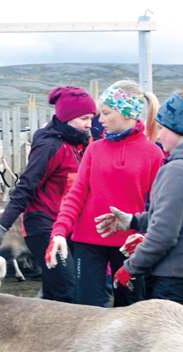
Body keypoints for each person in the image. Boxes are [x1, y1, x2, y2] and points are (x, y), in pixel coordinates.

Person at [95, 90, 183, 318]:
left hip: (180, 275)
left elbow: (164, 234)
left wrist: (131, 267)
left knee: (169, 348)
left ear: (180, 128)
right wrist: (134, 220)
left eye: (163, 128)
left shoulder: (177, 170)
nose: (157, 136)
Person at [46, 81, 163, 308]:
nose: (100, 120)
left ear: (127, 113)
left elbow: (158, 206)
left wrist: (146, 234)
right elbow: (76, 195)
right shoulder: (94, 149)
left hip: (130, 246)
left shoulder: (153, 154)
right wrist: (59, 232)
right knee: (86, 308)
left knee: (129, 310)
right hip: (87, 245)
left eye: (106, 113)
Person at [0, 86, 96, 302]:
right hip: (43, 226)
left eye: (91, 118)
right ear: (66, 116)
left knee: (61, 288)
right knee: (67, 290)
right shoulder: (50, 146)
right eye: (84, 118)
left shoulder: (80, 144)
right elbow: (25, 188)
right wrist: (0, 229)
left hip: (68, 227)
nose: (89, 123)